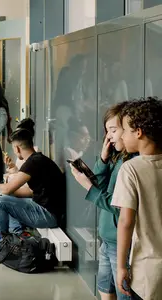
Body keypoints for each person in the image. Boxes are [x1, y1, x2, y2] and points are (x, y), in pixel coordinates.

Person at [71, 102, 132, 300]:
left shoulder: (131, 165)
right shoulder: (118, 158)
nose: (109, 136)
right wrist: (104, 159)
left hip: (119, 243)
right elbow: (101, 184)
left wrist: (88, 187)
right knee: (105, 290)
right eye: (107, 131)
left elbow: (119, 208)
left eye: (114, 130)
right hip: (107, 240)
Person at [0, 119, 65, 258]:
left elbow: (7, 189)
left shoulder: (32, 163)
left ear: (17, 148)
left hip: (48, 215)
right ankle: (15, 235)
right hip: (49, 211)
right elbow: (30, 191)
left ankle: (1, 247)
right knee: (8, 198)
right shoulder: (38, 159)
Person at [112, 98, 162, 300]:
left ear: (138, 132)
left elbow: (126, 221)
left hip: (147, 271)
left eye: (124, 130)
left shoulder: (131, 169)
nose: (122, 135)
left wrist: (121, 266)